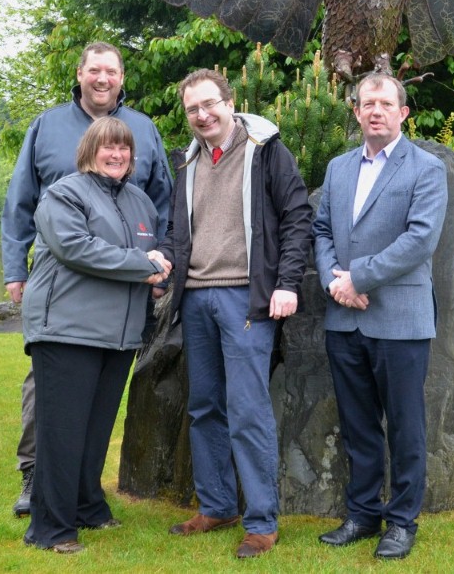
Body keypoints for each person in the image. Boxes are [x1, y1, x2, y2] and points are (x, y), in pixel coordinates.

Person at [2, 41, 172, 517]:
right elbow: (20, 202)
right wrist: (16, 268)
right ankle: (36, 475)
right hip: (69, 290)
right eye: (94, 70)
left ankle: (81, 490)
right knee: (51, 385)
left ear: (122, 78)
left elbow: (164, 206)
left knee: (99, 396)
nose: (102, 79)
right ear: (79, 74)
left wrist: (161, 266)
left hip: (125, 295)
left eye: (111, 71)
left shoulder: (143, 130)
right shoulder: (47, 127)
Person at [157, 68, 313, 559]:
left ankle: (262, 521)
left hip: (246, 298)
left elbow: (297, 218)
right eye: (192, 109)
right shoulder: (186, 161)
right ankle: (218, 504)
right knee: (204, 407)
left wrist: (287, 283)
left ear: (230, 101)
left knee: (247, 410)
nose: (202, 115)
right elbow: (174, 228)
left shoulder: (266, 151)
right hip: (195, 299)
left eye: (209, 104)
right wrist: (163, 266)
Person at [312, 73, 448, 561]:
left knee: (406, 427)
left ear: (403, 113)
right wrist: (333, 280)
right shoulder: (339, 168)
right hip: (344, 320)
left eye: (385, 104)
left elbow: (419, 240)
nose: (376, 111)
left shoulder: (426, 169)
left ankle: (402, 522)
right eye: (367, 103)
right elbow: (322, 228)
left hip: (401, 319)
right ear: (356, 112)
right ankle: (364, 514)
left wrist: (358, 279)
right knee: (358, 425)